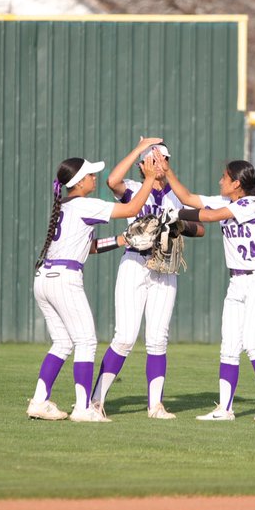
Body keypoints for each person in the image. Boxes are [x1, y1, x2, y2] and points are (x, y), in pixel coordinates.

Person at [27, 148, 166, 423]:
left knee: (62, 343)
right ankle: (83, 408)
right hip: (64, 279)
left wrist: (120, 240)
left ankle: (40, 401)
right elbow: (131, 209)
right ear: (79, 182)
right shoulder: (84, 204)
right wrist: (149, 179)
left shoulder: (66, 206)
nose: (94, 178)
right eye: (90, 175)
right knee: (86, 341)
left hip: (44, 278)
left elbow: (87, 247)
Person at [90, 137, 205, 421]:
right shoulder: (131, 188)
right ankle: (96, 401)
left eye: (162, 159)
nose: (158, 164)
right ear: (142, 165)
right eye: (151, 159)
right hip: (135, 262)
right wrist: (138, 150)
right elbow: (112, 181)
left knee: (157, 339)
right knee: (125, 337)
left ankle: (156, 406)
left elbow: (200, 228)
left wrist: (178, 225)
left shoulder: (175, 195)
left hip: (164, 268)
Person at [163, 159, 255, 422]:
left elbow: (209, 216)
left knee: (252, 342)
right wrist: (166, 169)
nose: (220, 181)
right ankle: (225, 409)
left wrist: (177, 214)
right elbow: (187, 197)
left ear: (236, 183)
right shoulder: (227, 202)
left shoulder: (251, 204)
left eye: (224, 177)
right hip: (237, 282)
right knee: (229, 346)